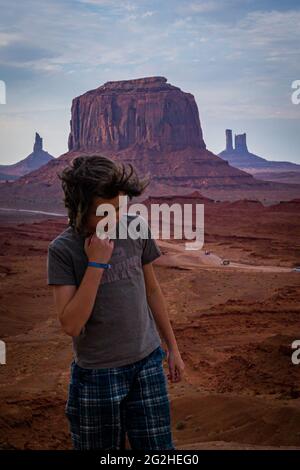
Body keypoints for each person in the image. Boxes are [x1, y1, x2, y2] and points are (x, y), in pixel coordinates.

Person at [47, 154, 185, 450]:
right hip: (98, 375)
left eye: (120, 209)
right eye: (105, 213)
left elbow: (152, 291)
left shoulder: (135, 228)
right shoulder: (63, 250)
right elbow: (71, 324)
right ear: (80, 208)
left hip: (147, 364)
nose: (115, 220)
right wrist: (96, 264)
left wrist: (172, 348)